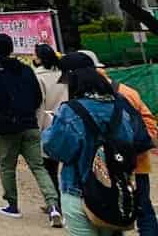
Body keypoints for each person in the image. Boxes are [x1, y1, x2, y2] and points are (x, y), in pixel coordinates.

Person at [43, 51, 154, 234]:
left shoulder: (71, 111)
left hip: (78, 189)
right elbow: (133, 141)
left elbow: (55, 149)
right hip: (115, 191)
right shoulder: (120, 107)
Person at [0, 33, 61, 223]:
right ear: (12, 47)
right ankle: (53, 206)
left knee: (7, 166)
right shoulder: (26, 69)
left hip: (6, 125)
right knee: (38, 166)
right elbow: (36, 97)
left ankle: (12, 205)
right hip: (29, 124)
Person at [81, 49, 158, 235]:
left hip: (106, 165)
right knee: (143, 206)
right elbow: (150, 123)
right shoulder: (128, 91)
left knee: (110, 206)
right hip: (137, 161)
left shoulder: (86, 98)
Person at [34, 43, 68, 206]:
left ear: (40, 58)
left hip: (48, 124)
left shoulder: (38, 76)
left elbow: (39, 105)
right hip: (68, 121)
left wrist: (37, 128)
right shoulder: (64, 74)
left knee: (49, 167)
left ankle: (55, 203)